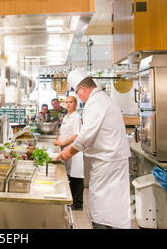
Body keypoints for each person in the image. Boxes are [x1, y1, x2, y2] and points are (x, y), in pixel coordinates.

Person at [58, 68, 131, 229]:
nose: (79, 97)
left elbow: (85, 135)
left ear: (83, 89)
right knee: (112, 209)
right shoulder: (101, 100)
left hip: (108, 164)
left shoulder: (95, 102)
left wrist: (68, 152)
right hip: (110, 162)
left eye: (78, 93)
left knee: (103, 210)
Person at [54, 95, 84, 210]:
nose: (68, 104)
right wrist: (60, 141)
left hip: (74, 151)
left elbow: (76, 135)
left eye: (70, 102)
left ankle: (78, 204)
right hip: (67, 150)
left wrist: (62, 143)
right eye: (66, 102)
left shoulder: (76, 117)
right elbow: (65, 132)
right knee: (70, 176)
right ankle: (72, 201)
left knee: (76, 176)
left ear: (75, 104)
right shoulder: (67, 116)